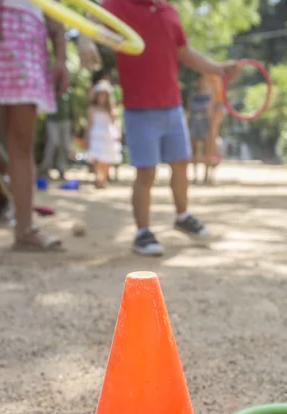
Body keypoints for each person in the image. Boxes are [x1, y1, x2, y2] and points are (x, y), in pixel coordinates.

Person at [99, 0, 238, 256]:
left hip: (172, 106)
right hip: (139, 108)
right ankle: (143, 232)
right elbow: (93, 19)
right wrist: (86, 44)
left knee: (181, 162)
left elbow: (184, 52)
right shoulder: (117, 4)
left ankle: (182, 215)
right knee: (146, 173)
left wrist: (218, 69)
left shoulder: (168, 10)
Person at [0, 0, 69, 259]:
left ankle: (25, 229)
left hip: (29, 52)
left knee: (22, 147)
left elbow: (57, 16)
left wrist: (61, 59)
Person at [86, 80, 122, 188]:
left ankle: (104, 179)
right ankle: (98, 178)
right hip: (96, 134)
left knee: (106, 159)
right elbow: (89, 124)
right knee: (97, 158)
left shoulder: (111, 109)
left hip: (107, 135)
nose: (102, 97)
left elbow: (115, 122)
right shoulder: (92, 109)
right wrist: (86, 136)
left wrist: (118, 132)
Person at [39, 91, 72, 179]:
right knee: (53, 142)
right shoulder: (51, 90)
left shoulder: (68, 93)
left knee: (64, 145)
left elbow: (72, 109)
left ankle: (62, 168)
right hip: (52, 121)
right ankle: (45, 168)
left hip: (65, 122)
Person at [188, 75, 212, 184]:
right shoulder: (193, 95)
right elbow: (189, 110)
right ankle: (194, 175)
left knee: (207, 150)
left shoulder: (210, 96)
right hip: (194, 124)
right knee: (194, 151)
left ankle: (206, 176)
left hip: (206, 124)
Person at [204, 74, 226, 182]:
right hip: (217, 109)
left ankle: (209, 173)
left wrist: (210, 109)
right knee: (211, 140)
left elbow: (214, 96)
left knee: (211, 141)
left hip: (215, 110)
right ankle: (208, 174)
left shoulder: (213, 79)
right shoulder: (215, 79)